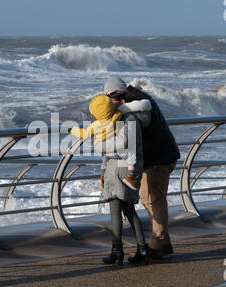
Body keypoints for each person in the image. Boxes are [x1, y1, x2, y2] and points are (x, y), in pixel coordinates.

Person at [104, 77, 181, 260]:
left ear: (117, 94)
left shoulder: (135, 106)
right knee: (153, 199)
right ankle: (164, 243)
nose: (110, 102)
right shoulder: (137, 97)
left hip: (158, 159)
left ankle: (155, 247)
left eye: (110, 97)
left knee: (152, 200)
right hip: (162, 155)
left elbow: (135, 132)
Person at [70, 94, 151, 265]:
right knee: (129, 210)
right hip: (128, 167)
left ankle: (117, 251)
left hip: (118, 167)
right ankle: (142, 249)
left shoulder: (125, 119)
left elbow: (120, 145)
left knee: (115, 210)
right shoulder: (126, 117)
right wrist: (103, 169)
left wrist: (99, 149)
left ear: (120, 99)